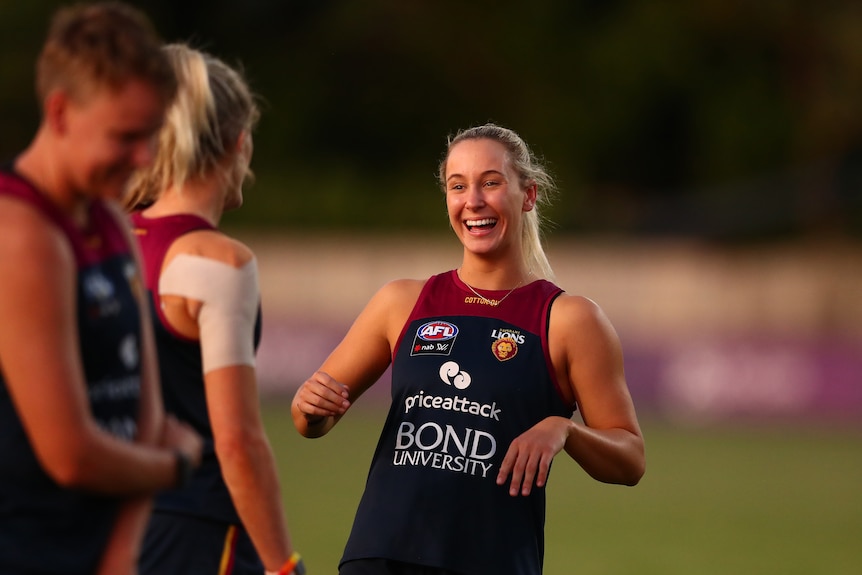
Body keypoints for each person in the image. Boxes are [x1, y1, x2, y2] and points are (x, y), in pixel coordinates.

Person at [292, 123, 646, 575]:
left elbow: (630, 459)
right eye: (457, 186)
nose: (473, 201)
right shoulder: (401, 302)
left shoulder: (569, 319)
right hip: (380, 553)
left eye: (491, 183)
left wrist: (566, 430)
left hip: (492, 560)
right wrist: (309, 405)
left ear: (529, 195)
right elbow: (310, 421)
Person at [0, 3, 205, 575]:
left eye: (151, 136)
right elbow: (69, 454)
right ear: (61, 113)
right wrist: (176, 467)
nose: (144, 159)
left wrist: (121, 551)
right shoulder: (20, 235)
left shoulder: (111, 220)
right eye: (125, 136)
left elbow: (143, 410)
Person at [124, 43, 304, 575]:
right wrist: (282, 565)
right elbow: (238, 441)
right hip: (194, 532)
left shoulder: (101, 238)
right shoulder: (217, 263)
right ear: (236, 143)